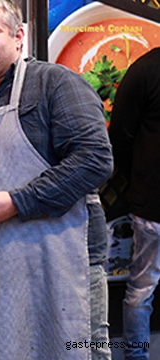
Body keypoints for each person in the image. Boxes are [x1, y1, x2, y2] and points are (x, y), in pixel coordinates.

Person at [0, 0, 113, 359]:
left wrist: (17, 202)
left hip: (58, 267)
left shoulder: (56, 84)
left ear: (19, 35)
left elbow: (95, 159)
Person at [110, 46, 160, 360]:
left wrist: (138, 181)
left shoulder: (144, 69)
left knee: (141, 291)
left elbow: (120, 137)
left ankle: (136, 357)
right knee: (141, 292)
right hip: (152, 204)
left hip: (152, 201)